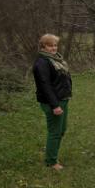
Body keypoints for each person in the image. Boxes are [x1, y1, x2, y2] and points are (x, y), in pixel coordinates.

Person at [32, 33, 72, 170]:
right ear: (43, 47)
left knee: (61, 130)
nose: (54, 48)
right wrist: (55, 105)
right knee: (55, 131)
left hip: (63, 99)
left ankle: (52, 154)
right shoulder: (42, 63)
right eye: (50, 45)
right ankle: (51, 161)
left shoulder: (56, 60)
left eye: (55, 45)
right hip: (53, 102)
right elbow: (45, 85)